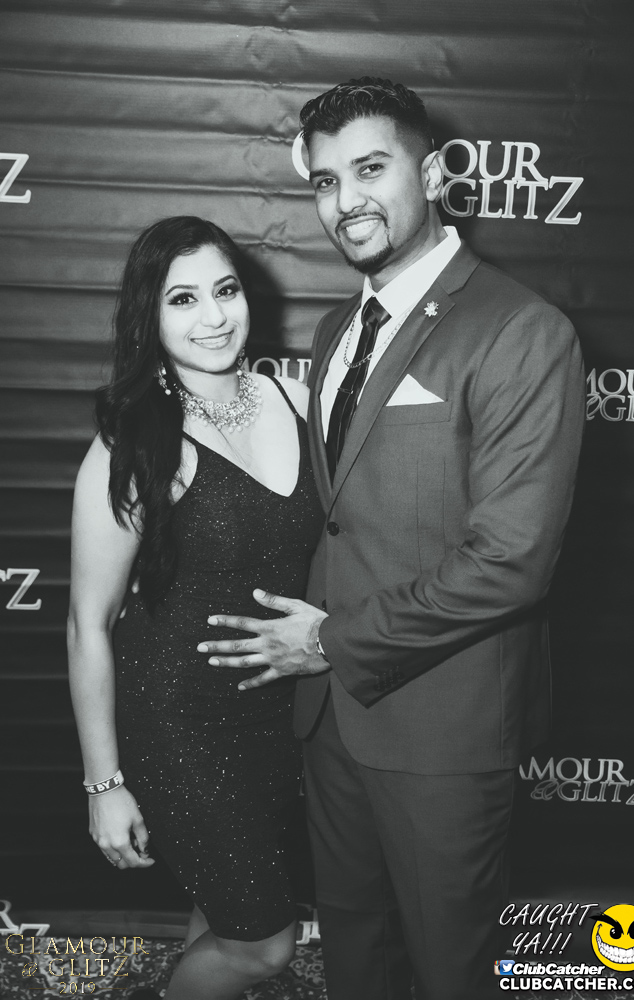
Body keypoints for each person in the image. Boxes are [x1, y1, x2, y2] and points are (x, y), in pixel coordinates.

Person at [199, 79, 586, 1000]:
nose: (346, 201)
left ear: (437, 172)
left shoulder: (521, 330)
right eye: (325, 181)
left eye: (370, 169)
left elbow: (511, 563)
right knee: (356, 962)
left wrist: (329, 640)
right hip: (330, 722)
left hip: (443, 732)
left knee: (454, 972)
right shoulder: (338, 327)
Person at [67, 216, 323, 1000]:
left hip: (277, 721)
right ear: (149, 314)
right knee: (264, 947)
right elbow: (87, 625)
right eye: (183, 299)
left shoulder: (297, 399)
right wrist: (104, 785)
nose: (213, 317)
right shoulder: (134, 442)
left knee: (220, 915)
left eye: (225, 290)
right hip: (178, 725)